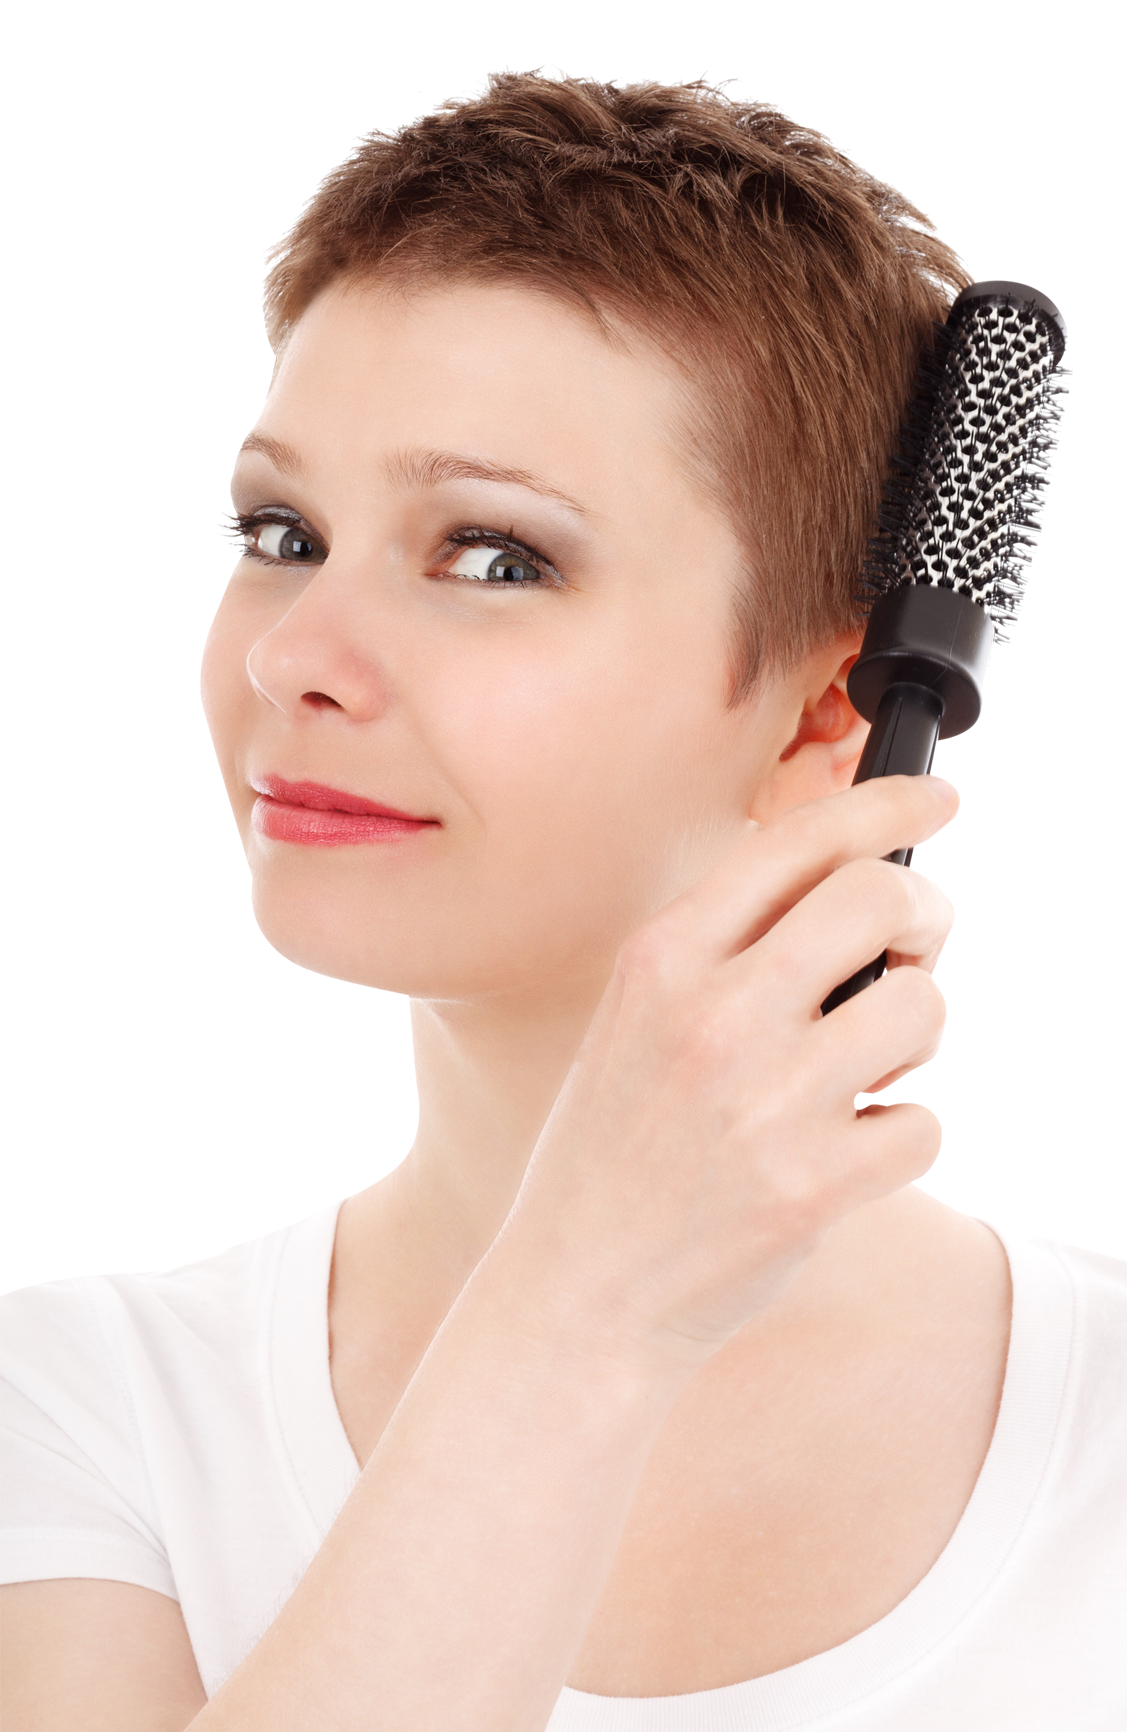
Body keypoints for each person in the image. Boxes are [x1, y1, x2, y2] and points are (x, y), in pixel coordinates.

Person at [0, 72, 1121, 1732]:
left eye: (493, 556)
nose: (294, 658)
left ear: (835, 706)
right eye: (284, 528)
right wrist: (590, 1298)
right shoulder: (86, 1399)